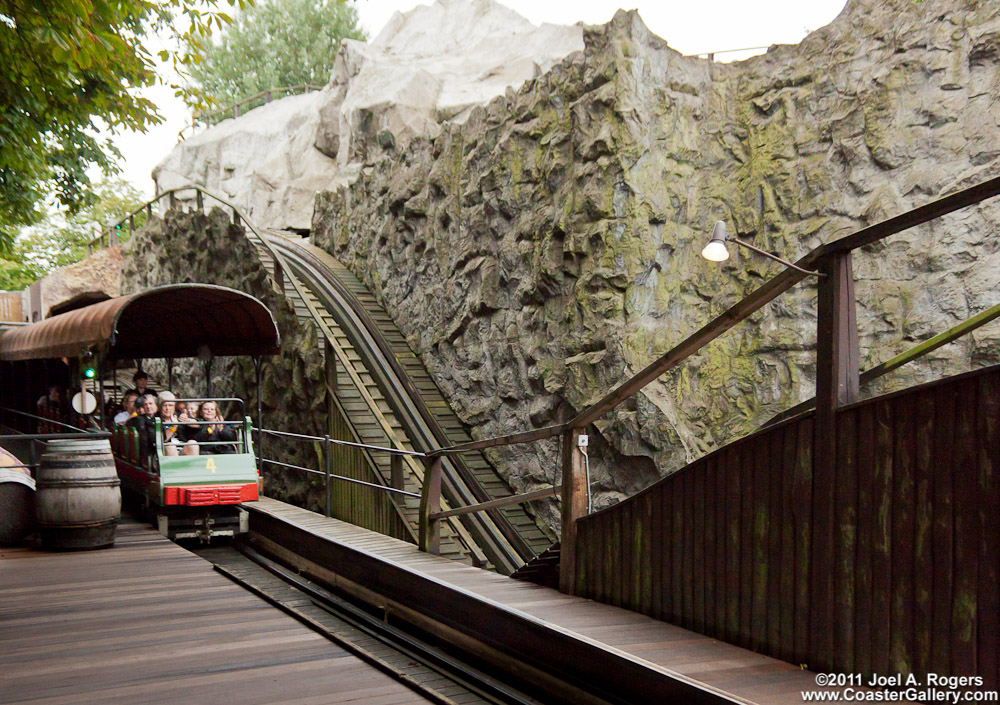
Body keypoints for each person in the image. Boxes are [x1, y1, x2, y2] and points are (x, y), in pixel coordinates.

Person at [125, 393, 158, 463]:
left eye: (150, 404)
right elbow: (154, 439)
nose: (148, 407)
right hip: (149, 454)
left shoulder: (158, 417)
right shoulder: (138, 420)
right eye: (146, 404)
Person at [157, 392, 183, 456]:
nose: (167, 408)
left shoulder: (180, 415)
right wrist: (174, 426)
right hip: (164, 452)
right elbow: (164, 440)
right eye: (164, 405)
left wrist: (188, 420)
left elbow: (198, 425)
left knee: (193, 444)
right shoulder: (156, 418)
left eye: (170, 405)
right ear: (159, 406)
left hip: (181, 448)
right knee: (170, 446)